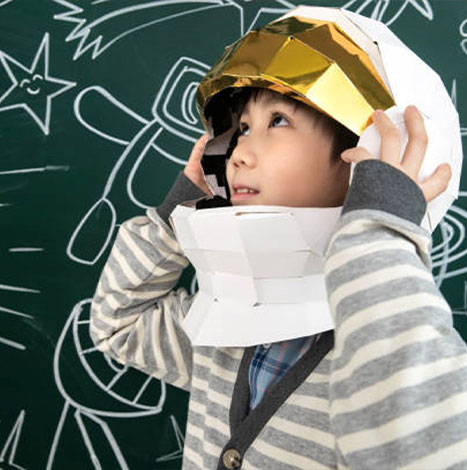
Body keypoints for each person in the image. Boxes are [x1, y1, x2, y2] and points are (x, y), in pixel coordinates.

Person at [90, 10, 467, 470]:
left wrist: (380, 229)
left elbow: (419, 446)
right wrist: (179, 213)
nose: (238, 153)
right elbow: (118, 324)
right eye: (242, 127)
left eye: (279, 122)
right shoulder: (226, 323)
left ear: (370, 151)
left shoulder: (382, 352)